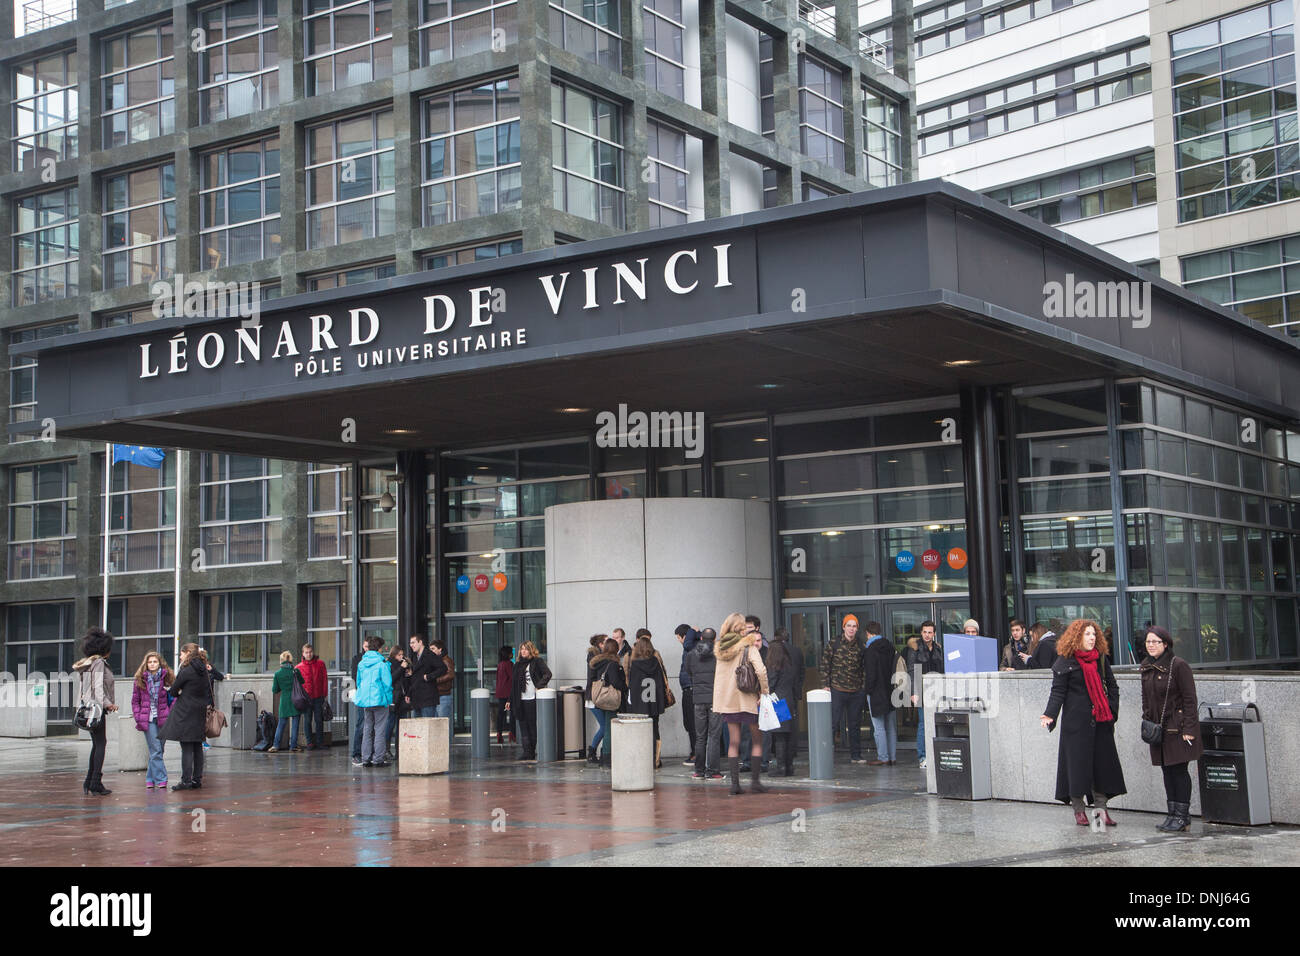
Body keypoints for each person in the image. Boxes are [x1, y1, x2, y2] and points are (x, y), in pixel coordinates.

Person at [1040, 619, 1125, 826]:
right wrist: (1050, 714)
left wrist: (1111, 711)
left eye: (1093, 634)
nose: (1091, 638)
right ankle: (1079, 810)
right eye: (1087, 634)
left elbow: (1112, 687)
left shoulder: (1100, 659)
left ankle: (1101, 811)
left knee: (1102, 768)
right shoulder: (1064, 661)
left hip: (1101, 722)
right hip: (1076, 725)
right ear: (1076, 637)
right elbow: (1058, 691)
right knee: (1077, 768)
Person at [1140, 626, 1203, 833]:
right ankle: (1172, 814)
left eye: (1155, 642)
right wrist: (1146, 720)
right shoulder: (1147, 666)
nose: (1151, 645)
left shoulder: (1178, 665)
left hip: (1178, 728)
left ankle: (1182, 816)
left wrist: (1189, 728)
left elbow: (1190, 699)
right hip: (1158, 729)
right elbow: (1146, 699)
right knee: (1167, 771)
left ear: (1165, 644)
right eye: (1148, 642)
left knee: (1178, 771)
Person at [713, 612, 770, 795]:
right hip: (748, 698)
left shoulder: (720, 649)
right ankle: (755, 782)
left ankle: (735, 785)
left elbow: (719, 679)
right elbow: (760, 671)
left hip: (729, 701)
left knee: (733, 742)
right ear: (741, 627)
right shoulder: (749, 646)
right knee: (757, 739)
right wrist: (764, 692)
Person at [159, 642, 212, 790]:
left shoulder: (186, 669)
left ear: (188, 653)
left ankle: (186, 780)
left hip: (185, 711)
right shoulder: (204, 669)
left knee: (187, 746)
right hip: (200, 710)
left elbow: (174, 690)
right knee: (197, 745)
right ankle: (197, 779)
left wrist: (177, 691)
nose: (180, 656)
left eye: (181, 653)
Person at [73, 627, 119, 796]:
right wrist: (108, 704)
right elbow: (97, 688)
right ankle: (95, 782)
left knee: (97, 744)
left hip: (88, 709)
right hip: (96, 709)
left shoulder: (87, 663)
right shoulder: (98, 662)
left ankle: (89, 781)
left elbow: (86, 689)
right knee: (101, 744)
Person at [821, 614, 868, 765]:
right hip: (837, 689)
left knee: (854, 725)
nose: (851, 629)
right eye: (849, 625)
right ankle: (827, 754)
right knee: (833, 723)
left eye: (854, 626)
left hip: (856, 691)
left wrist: (863, 687)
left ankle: (856, 755)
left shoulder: (861, 645)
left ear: (857, 628)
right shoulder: (834, 643)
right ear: (843, 627)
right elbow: (825, 664)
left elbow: (865, 668)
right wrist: (825, 684)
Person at [131, 650, 173, 790]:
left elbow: (175, 697)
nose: (152, 664)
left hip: (164, 718)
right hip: (148, 719)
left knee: (158, 750)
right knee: (156, 750)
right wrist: (138, 716)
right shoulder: (139, 680)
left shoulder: (167, 677)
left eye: (155, 661)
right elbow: (135, 701)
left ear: (159, 663)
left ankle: (150, 779)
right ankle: (162, 779)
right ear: (146, 664)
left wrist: (170, 712)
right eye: (150, 662)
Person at [765, 626, 804, 777]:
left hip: (778, 701)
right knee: (788, 734)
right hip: (789, 699)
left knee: (780, 735)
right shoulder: (789, 664)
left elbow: (771, 684)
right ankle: (789, 766)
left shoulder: (775, 665)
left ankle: (781, 767)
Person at [627, 634, 669, 769]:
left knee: (641, 732)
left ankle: (643, 759)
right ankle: (656, 760)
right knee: (655, 730)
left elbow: (632, 686)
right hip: (654, 703)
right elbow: (661, 683)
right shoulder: (655, 663)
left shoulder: (635, 665)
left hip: (640, 705)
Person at [905, 621, 944, 769]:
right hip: (922, 690)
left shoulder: (938, 648)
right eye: (925, 632)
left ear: (934, 633)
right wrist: (914, 692)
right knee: (923, 724)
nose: (927, 635)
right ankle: (923, 756)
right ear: (921, 633)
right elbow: (911, 670)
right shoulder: (915, 648)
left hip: (938, 691)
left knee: (937, 722)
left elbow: (942, 669)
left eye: (930, 632)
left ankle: (936, 754)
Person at [687, 627, 723, 779]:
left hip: (698, 700)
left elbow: (689, 672)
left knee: (700, 737)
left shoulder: (691, 655)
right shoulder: (719, 655)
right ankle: (713, 771)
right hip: (715, 699)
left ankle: (699, 771)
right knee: (714, 736)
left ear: (701, 638)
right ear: (714, 639)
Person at [354, 636, 394, 767]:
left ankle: (366, 759)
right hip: (379, 700)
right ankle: (378, 759)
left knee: (367, 730)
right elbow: (387, 684)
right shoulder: (382, 663)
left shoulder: (361, 663)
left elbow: (359, 682)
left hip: (366, 701)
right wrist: (389, 700)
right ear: (379, 648)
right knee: (380, 730)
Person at [509, 641, 552, 761]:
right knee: (523, 726)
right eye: (522, 649)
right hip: (520, 699)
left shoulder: (537, 661)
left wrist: (539, 686)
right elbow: (513, 684)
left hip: (532, 698)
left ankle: (532, 751)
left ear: (531, 650)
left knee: (532, 725)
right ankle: (526, 751)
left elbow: (547, 674)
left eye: (526, 649)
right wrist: (509, 700)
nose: (523, 651)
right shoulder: (517, 665)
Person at [862, 621, 897, 766]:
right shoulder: (890, 647)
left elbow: (871, 675)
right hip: (890, 691)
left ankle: (883, 757)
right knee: (890, 726)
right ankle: (892, 757)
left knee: (879, 727)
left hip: (876, 692)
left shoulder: (870, 650)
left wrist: (867, 691)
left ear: (868, 633)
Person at [738, 616, 770, 772]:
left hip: (765, 697)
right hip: (749, 697)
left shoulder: (768, 653)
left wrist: (764, 694)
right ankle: (746, 761)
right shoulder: (746, 653)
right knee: (746, 731)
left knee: (765, 730)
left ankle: (764, 762)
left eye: (758, 640)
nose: (756, 643)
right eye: (754, 641)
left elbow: (768, 674)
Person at [586, 636, 624, 765]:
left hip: (597, 698)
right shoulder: (612, 663)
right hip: (606, 699)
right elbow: (615, 682)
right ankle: (600, 754)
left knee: (606, 726)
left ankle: (601, 754)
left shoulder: (596, 662)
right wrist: (625, 687)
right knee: (606, 727)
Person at [350, 635, 379, 765]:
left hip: (372, 696)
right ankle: (356, 753)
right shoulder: (358, 659)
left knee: (371, 727)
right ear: (363, 645)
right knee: (362, 725)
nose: (367, 649)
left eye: (369, 647)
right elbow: (356, 678)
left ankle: (370, 753)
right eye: (366, 646)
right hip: (363, 696)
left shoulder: (377, 660)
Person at [269, 650, 304, 752]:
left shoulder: (278, 674)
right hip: (296, 699)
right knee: (295, 724)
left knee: (281, 724)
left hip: (284, 701)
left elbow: (275, 690)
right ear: (290, 659)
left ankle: (275, 745)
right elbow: (302, 681)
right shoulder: (295, 671)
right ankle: (293, 746)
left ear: (281, 660)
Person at [675, 624, 700, 765]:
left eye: (679, 638)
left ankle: (696, 754)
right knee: (690, 723)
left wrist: (691, 633)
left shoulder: (690, 647)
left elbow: (687, 644)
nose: (679, 641)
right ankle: (695, 752)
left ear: (684, 636)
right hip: (688, 688)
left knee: (692, 723)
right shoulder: (693, 647)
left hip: (691, 689)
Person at [297, 643, 329, 749]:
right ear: (303, 653)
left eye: (310, 652)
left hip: (318, 696)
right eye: (306, 652)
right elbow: (297, 685)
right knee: (307, 720)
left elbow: (324, 679)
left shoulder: (320, 664)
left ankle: (320, 742)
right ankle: (309, 742)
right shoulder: (299, 667)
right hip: (306, 698)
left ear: (313, 652)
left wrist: (324, 694)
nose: (309, 654)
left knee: (319, 720)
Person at [407, 633, 446, 719]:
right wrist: (409, 693)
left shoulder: (430, 654)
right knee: (417, 727)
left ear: (420, 642)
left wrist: (429, 676)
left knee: (428, 726)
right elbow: (414, 678)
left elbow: (443, 668)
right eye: (410, 643)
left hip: (427, 697)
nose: (411, 645)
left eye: (413, 643)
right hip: (416, 697)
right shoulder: (414, 657)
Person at [387, 646, 411, 756]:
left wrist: (408, 673)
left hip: (402, 697)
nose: (401, 657)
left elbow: (405, 682)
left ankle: (399, 751)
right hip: (392, 698)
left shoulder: (405, 663)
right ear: (393, 654)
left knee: (402, 726)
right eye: (399, 655)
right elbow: (390, 679)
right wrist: (401, 668)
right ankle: (386, 750)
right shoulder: (389, 664)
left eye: (402, 654)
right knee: (390, 725)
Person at [495, 645, 514, 744]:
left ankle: (499, 733)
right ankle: (512, 733)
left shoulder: (500, 664)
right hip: (508, 692)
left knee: (501, 714)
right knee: (512, 713)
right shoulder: (509, 664)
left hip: (500, 692)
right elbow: (512, 677)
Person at [432, 639, 455, 724]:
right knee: (438, 726)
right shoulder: (437, 660)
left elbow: (451, 675)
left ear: (440, 649)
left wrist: (435, 680)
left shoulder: (446, 660)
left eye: (433, 649)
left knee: (443, 726)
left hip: (443, 696)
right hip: (437, 695)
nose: (431, 651)